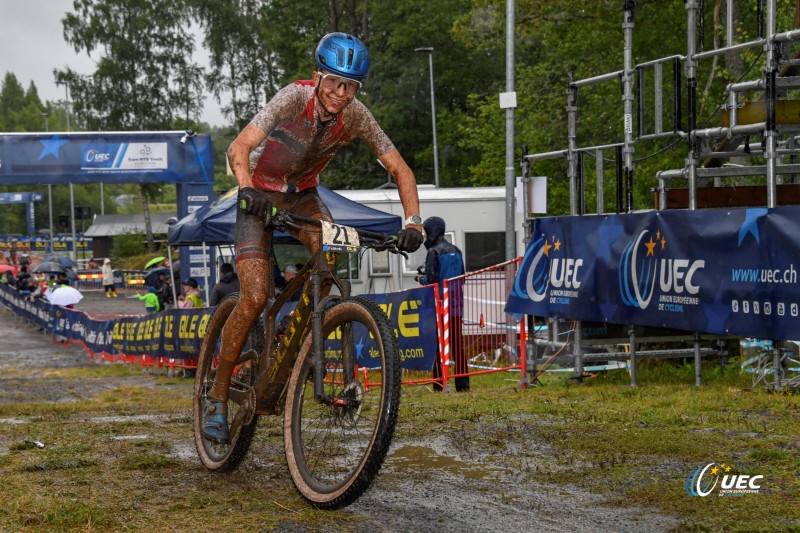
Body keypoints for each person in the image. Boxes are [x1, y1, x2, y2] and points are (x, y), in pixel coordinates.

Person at [201, 32, 425, 444]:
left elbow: (401, 171)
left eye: (351, 86)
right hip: (258, 194)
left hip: (302, 196)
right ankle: (216, 395)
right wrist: (246, 188)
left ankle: (292, 340)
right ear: (317, 77)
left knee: (331, 262)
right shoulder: (292, 99)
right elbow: (240, 146)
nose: (341, 94)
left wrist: (413, 222)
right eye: (334, 83)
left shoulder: (357, 116)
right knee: (253, 295)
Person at [415, 216, 469, 393]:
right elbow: (462, 277)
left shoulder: (433, 252)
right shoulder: (457, 250)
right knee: (457, 345)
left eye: (425, 231)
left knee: (437, 346)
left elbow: (430, 280)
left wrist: (420, 278)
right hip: (456, 305)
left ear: (431, 231)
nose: (424, 235)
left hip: (439, 306)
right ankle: (463, 385)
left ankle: (438, 383)